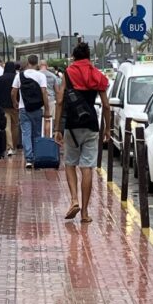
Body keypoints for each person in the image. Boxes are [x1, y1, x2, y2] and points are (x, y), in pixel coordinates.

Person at [54, 42, 111, 223]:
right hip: (92, 124)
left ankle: (74, 200)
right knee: (87, 168)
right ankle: (85, 213)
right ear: (89, 57)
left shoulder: (68, 73)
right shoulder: (97, 75)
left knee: (70, 163)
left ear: (74, 56)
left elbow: (60, 100)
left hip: (72, 124)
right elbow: (107, 105)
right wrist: (108, 128)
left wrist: (57, 128)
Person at [11, 54, 50, 168]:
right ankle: (36, 156)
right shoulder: (41, 76)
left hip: (24, 108)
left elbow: (13, 92)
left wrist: (15, 102)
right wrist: (47, 109)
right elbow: (44, 93)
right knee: (37, 133)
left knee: (26, 133)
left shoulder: (20, 76)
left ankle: (28, 158)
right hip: (37, 108)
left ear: (27, 62)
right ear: (37, 64)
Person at [0, 61, 20, 156]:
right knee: (15, 126)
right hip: (15, 105)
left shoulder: (0, 78)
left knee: (6, 126)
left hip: (3, 106)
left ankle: (9, 147)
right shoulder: (17, 78)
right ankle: (15, 146)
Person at [39, 58, 60, 135]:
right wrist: (58, 102)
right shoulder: (53, 76)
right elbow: (57, 91)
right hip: (51, 100)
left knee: (40, 120)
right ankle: (48, 137)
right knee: (49, 119)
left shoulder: (36, 75)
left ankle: (41, 137)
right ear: (47, 66)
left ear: (39, 65)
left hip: (39, 101)